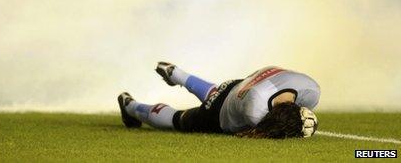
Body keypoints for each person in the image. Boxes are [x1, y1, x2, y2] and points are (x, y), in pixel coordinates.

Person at [118, 62, 320, 138]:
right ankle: (130, 106)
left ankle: (177, 74)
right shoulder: (255, 111)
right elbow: (267, 129)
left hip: (236, 86)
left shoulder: (310, 87)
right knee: (178, 120)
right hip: (217, 114)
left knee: (214, 93)